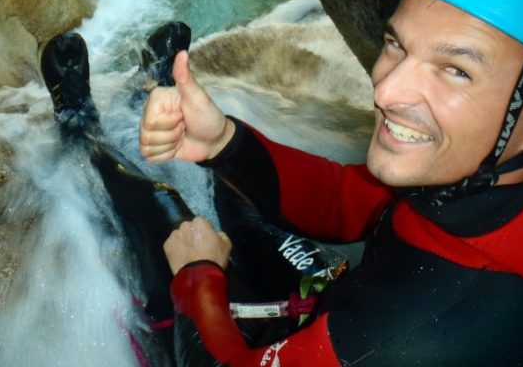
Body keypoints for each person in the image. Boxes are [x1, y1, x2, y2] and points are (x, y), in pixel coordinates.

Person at [139, 0, 523, 365]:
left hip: (369, 323)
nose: (385, 90)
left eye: (455, 69)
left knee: (167, 227)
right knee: (235, 211)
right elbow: (352, 201)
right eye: (396, 44)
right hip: (371, 290)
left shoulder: (410, 338)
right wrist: (222, 141)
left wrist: (197, 275)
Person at [41, 23, 348, 366]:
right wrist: (222, 143)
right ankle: (152, 95)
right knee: (241, 191)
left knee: (162, 203)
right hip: (322, 313)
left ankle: (80, 127)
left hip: (230, 349)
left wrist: (197, 272)